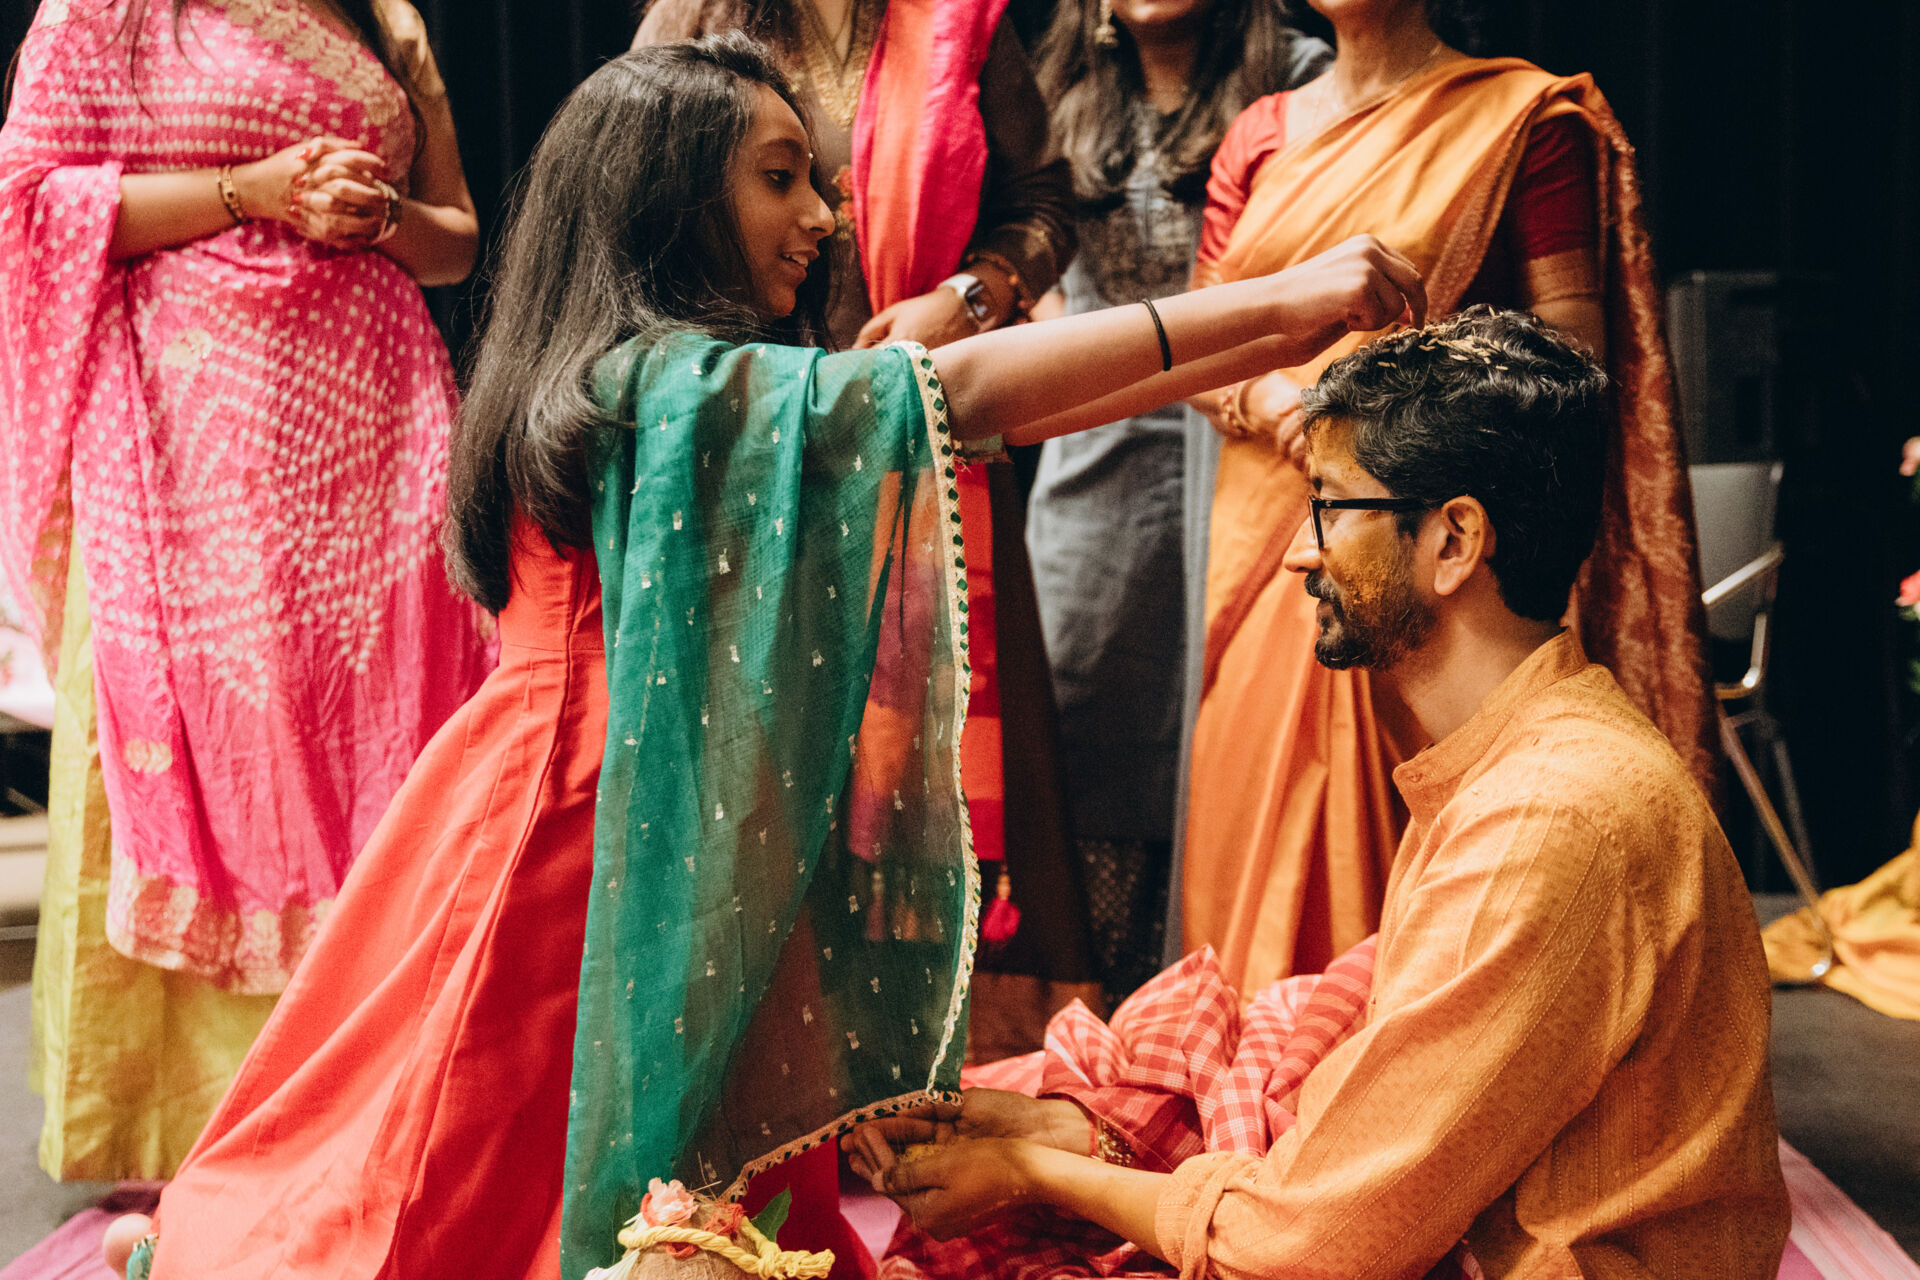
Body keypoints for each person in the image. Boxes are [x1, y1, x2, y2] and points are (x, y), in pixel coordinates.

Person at [105, 34, 1428, 1280]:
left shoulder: (676, 385)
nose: (825, 218)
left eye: (820, 182)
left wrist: (1286, 330)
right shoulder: (659, 388)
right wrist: (1282, 299)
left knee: (557, 1183)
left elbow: (971, 417)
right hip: (573, 828)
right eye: (780, 178)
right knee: (451, 1187)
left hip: (622, 804)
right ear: (668, 196)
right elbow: (964, 394)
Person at [847, 309, 1790, 1280]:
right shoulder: (1524, 757)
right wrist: (1050, 1127)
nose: (1302, 551)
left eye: (1331, 506)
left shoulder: (1551, 817)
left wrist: (1032, 1170)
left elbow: (1311, 1247)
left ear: (1455, 540)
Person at [0, 0, 494, 1181]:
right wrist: (250, 192)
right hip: (189, 460)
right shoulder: (111, 11)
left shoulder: (381, 16)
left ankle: (387, 1133)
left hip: (378, 450)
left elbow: (457, 244)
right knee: (232, 752)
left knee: (393, 764)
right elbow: (28, 204)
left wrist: (384, 203)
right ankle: (220, 1153)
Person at [1175, 0, 1715, 997]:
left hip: (1425, 550)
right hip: (1268, 539)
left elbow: (1568, 364)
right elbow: (1196, 347)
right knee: (1245, 823)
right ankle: (1258, 1067)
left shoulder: (1522, 121)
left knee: (1413, 862)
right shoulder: (1258, 136)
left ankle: (1399, 1058)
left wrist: (1371, 419)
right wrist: (1284, 401)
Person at [634, 0, 1096, 1059]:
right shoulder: (697, 16)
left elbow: (1043, 203)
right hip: (754, 445)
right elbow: (631, 205)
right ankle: (781, 1055)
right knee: (771, 757)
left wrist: (968, 299)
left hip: (932, 439)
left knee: (947, 759)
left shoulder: (961, 23)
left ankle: (932, 1058)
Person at [1022, 0, 1327, 1010]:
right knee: (1088, 719)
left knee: (1234, 716)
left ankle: (1221, 1010)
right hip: (1096, 449)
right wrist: (1058, 331)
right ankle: (1100, 1023)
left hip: (1254, 440)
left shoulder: (1300, 77)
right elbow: (1014, 242)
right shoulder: (1053, 90)